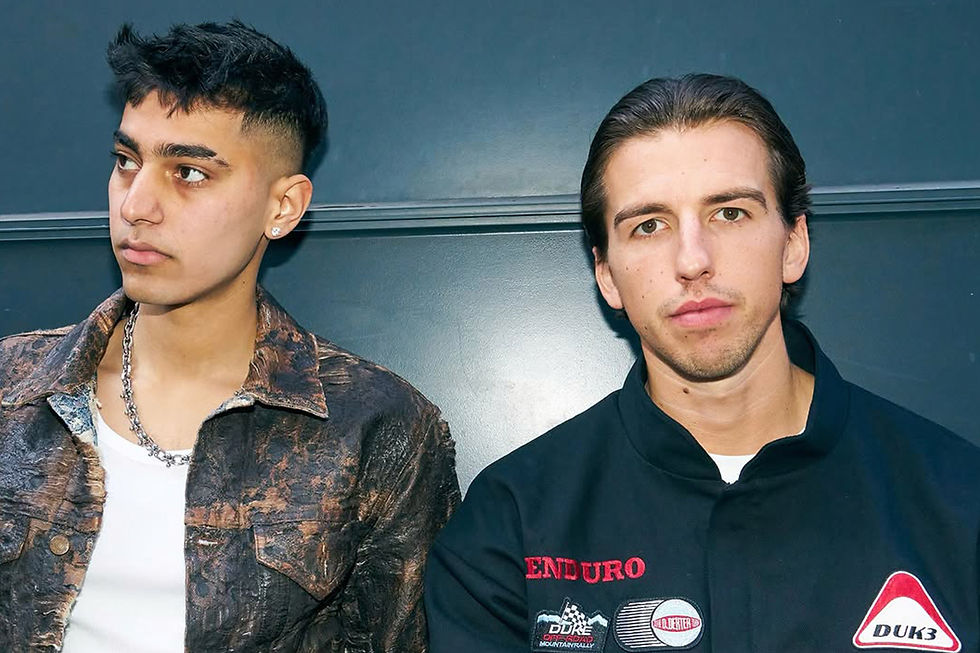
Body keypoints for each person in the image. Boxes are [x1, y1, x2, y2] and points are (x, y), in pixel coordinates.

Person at [425, 74, 979, 652]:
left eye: (730, 214)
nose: (692, 260)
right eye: (649, 226)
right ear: (607, 275)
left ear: (793, 244)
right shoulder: (510, 526)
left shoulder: (958, 501)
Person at [0, 21, 459, 652]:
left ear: (283, 207)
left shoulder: (375, 427)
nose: (137, 203)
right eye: (126, 161)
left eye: (188, 172)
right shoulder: (10, 392)